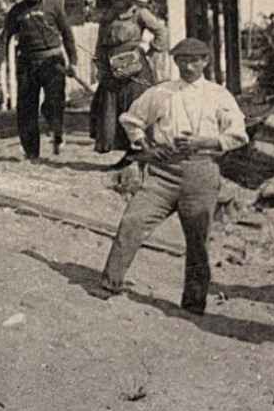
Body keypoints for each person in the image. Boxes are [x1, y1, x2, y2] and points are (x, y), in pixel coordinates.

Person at [100, 38, 249, 315]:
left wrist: (204, 143)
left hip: (201, 172)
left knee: (197, 241)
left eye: (195, 60)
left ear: (205, 61)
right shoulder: (162, 91)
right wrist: (143, 144)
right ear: (175, 62)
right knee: (133, 220)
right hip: (163, 173)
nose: (188, 66)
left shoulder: (219, 94)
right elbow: (131, 119)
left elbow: (238, 134)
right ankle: (109, 283)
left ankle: (193, 304)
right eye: (182, 60)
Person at [0, 0, 76, 161]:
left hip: (53, 62)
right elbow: (4, 39)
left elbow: (67, 35)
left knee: (54, 103)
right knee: (26, 109)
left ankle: (57, 133)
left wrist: (73, 61)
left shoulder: (54, 7)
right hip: (27, 63)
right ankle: (32, 152)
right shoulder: (16, 11)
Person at [91, 0, 169, 157]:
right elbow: (100, 43)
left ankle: (142, 153)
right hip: (112, 66)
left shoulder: (140, 13)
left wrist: (149, 51)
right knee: (111, 107)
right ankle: (126, 154)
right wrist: (100, 65)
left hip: (135, 67)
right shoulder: (108, 15)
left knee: (136, 106)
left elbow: (161, 31)